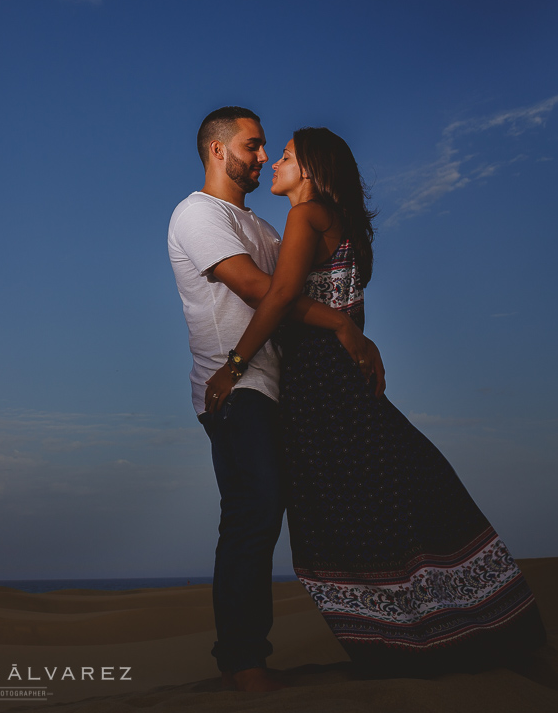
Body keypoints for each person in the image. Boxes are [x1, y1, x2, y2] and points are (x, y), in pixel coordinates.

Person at [207, 126, 546, 676]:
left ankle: (405, 641)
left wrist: (235, 365)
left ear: (311, 170)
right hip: (342, 380)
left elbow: (282, 298)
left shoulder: (305, 214)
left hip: (318, 386)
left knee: (339, 513)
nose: (274, 163)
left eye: (286, 156)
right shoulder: (342, 227)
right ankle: (455, 627)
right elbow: (343, 313)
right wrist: (347, 331)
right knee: (389, 496)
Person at [167, 108, 385, 692]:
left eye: (269, 148)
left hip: (281, 388)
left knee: (299, 511)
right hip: (235, 385)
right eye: (253, 145)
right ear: (218, 152)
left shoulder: (264, 227)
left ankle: (389, 631)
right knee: (254, 509)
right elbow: (262, 289)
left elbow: (301, 285)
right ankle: (242, 662)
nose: (263, 156)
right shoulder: (197, 213)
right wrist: (343, 329)